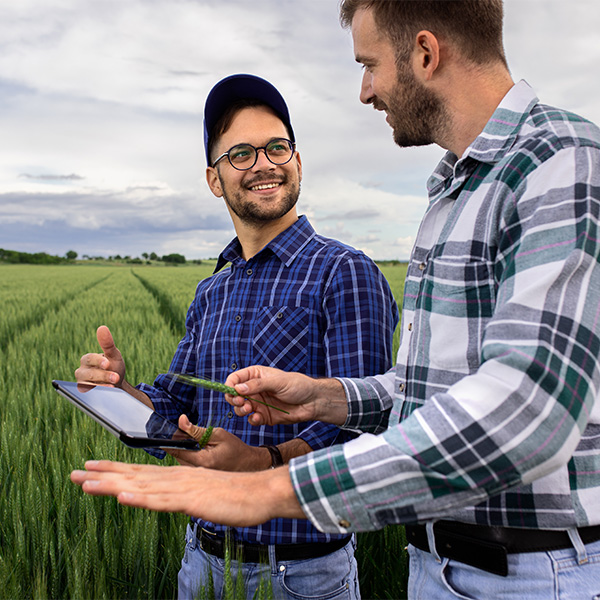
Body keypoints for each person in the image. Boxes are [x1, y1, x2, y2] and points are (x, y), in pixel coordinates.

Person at [71, 2, 600, 598]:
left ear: (425, 53)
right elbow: (423, 393)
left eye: (369, 64)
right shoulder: (452, 192)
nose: (364, 90)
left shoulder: (559, 159)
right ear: (214, 178)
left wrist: (267, 481)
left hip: (530, 569)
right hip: (433, 564)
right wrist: (321, 397)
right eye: (240, 153)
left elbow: (531, 408)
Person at [74, 73, 398, 600]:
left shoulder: (345, 272)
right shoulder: (211, 291)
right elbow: (175, 405)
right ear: (214, 178)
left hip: (301, 574)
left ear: (297, 160)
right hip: (201, 562)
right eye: (242, 153)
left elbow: (365, 431)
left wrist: (260, 466)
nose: (265, 163)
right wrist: (119, 391)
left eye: (277, 147)